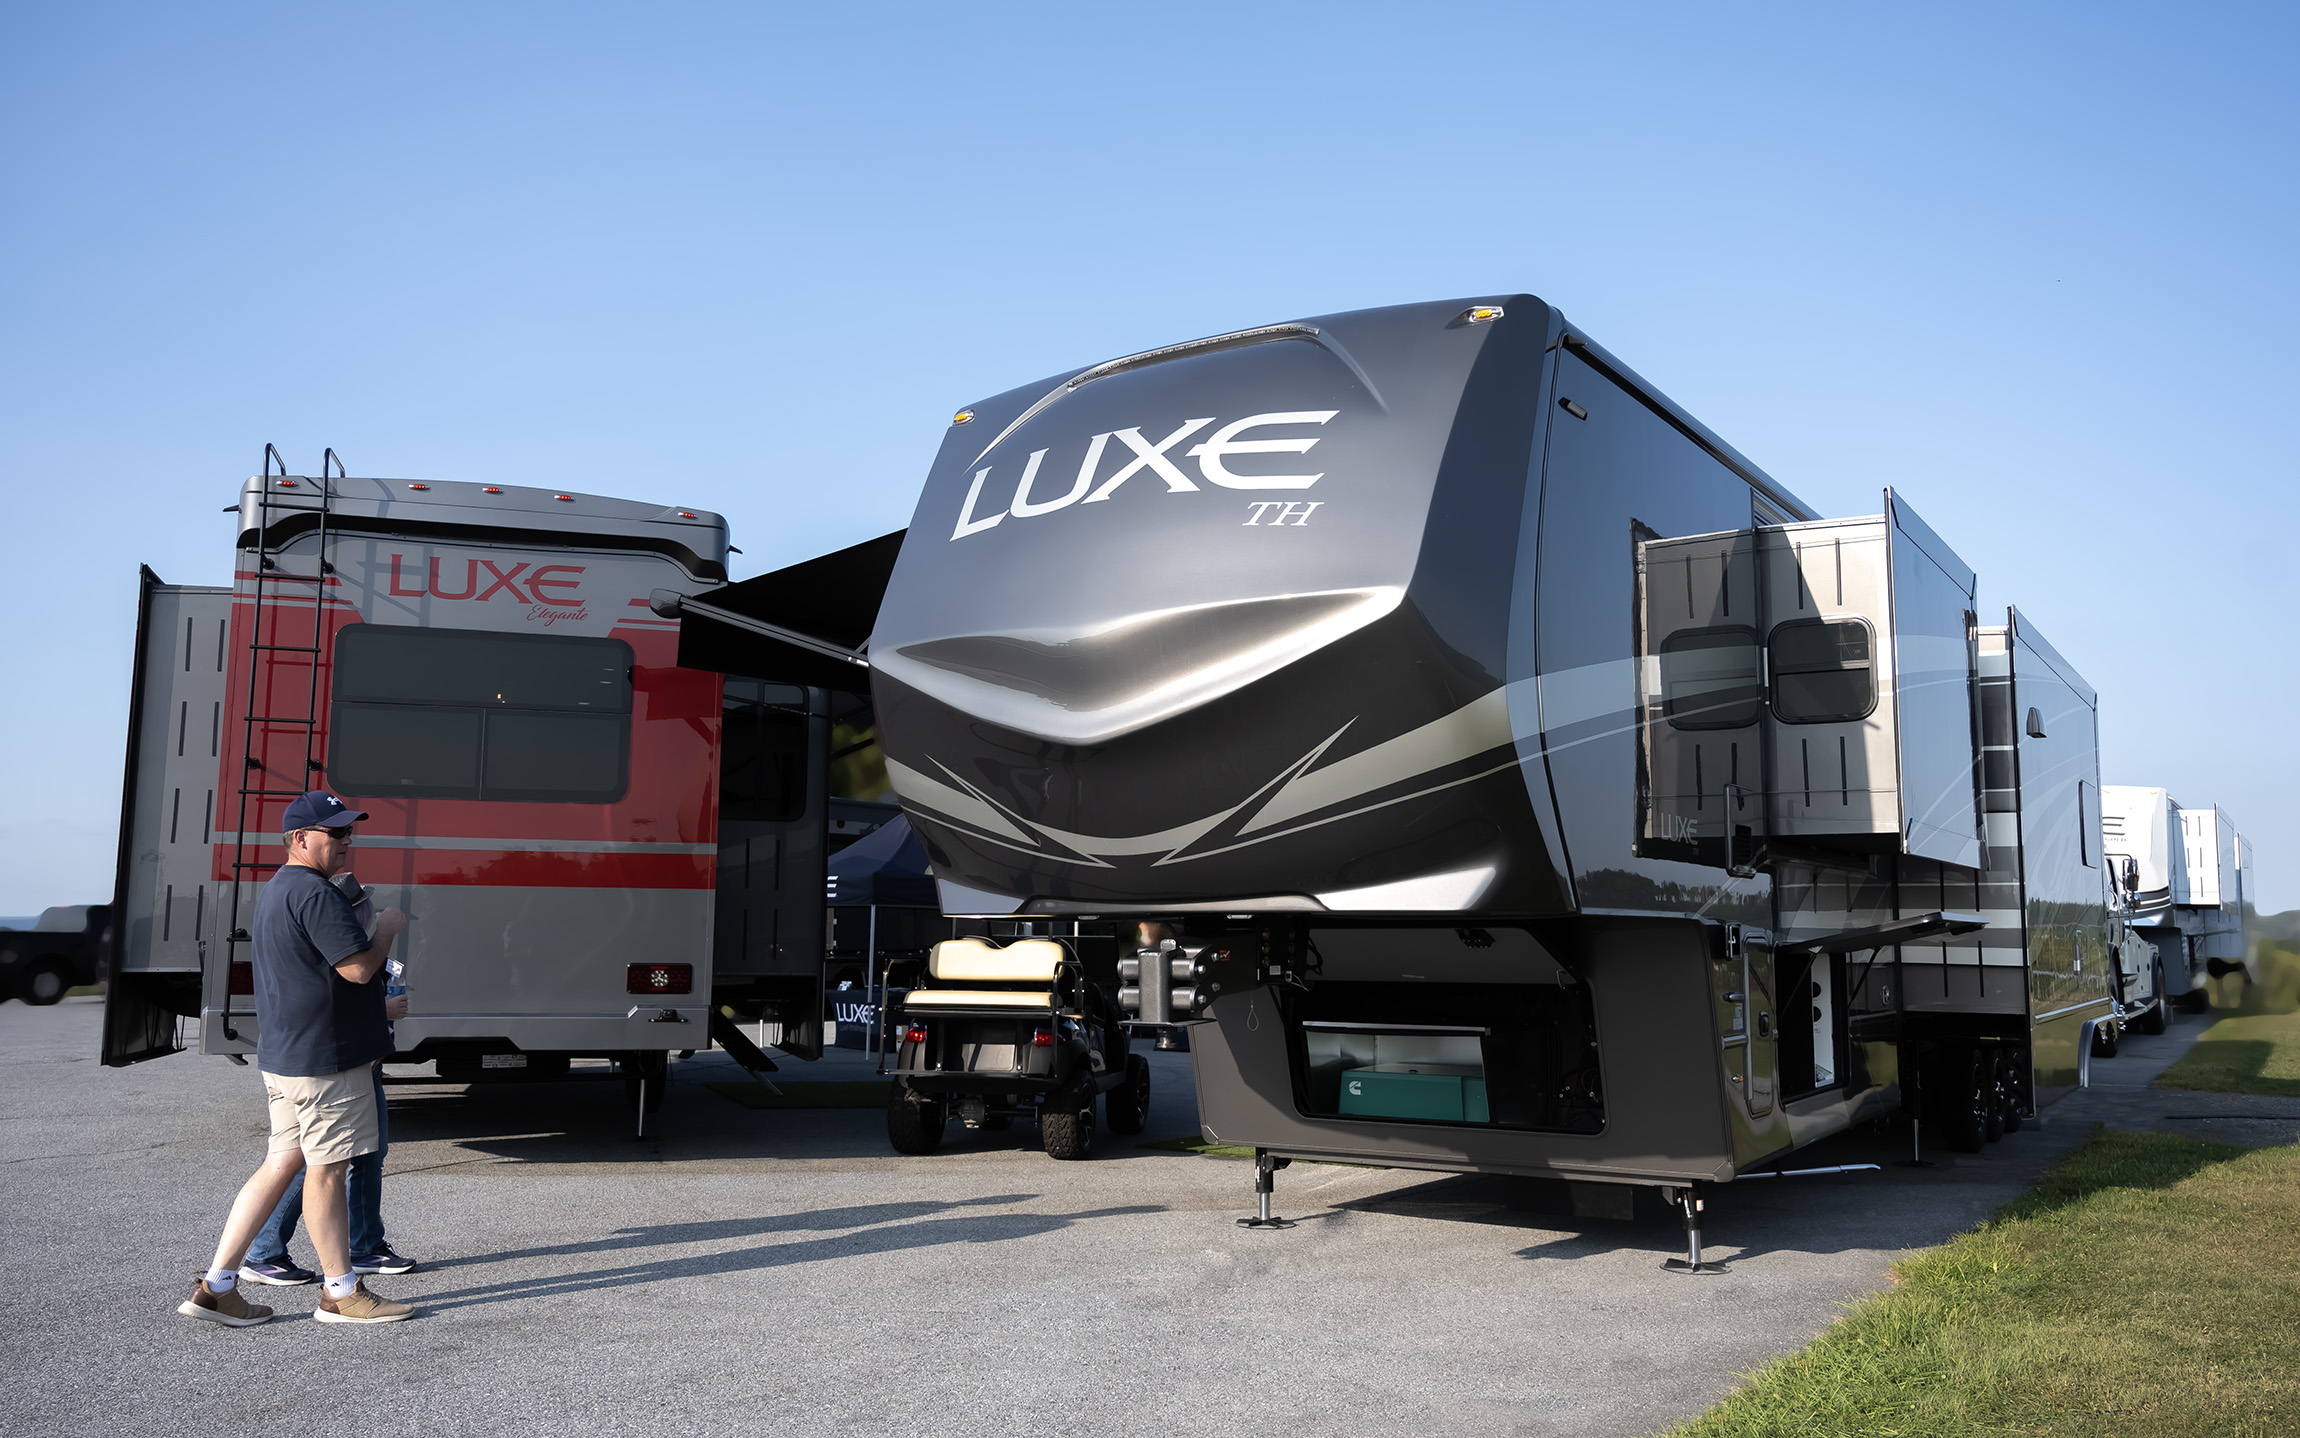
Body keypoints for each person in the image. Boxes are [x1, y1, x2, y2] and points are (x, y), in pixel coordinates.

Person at [177, 791, 416, 1326]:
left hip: (285, 1056)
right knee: (328, 1171)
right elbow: (356, 970)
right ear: (299, 838)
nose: (346, 843)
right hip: (326, 1060)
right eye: (335, 833)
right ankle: (341, 1292)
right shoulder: (316, 893)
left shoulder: (278, 889)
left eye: (349, 833)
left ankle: (216, 1286)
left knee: (282, 1161)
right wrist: (386, 929)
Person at [238, 873, 417, 1286]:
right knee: (311, 1163)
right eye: (360, 908)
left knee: (361, 1158)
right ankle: (273, 1255)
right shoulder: (338, 944)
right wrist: (382, 1009)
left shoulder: (348, 942)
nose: (367, 911)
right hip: (332, 1067)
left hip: (350, 1063)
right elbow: (340, 994)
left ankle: (363, 1246)